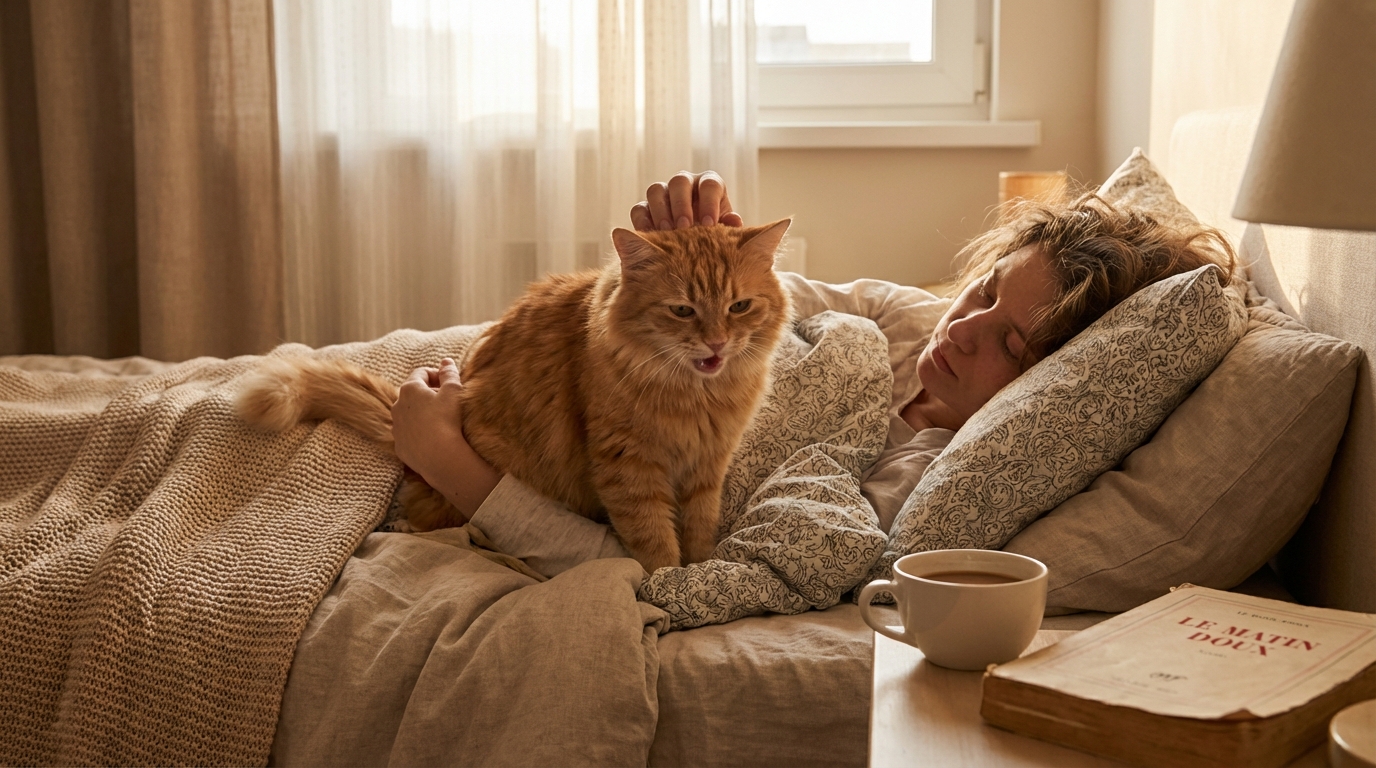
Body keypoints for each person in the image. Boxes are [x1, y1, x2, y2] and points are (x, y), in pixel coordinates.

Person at [390, 171, 1235, 576]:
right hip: (465, 370)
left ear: (1052, 382)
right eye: (980, 291)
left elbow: (651, 561)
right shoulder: (907, 317)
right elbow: (742, 299)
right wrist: (695, 247)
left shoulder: (915, 473)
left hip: (460, 460)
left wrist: (449, 463)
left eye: (1011, 348)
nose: (965, 329)